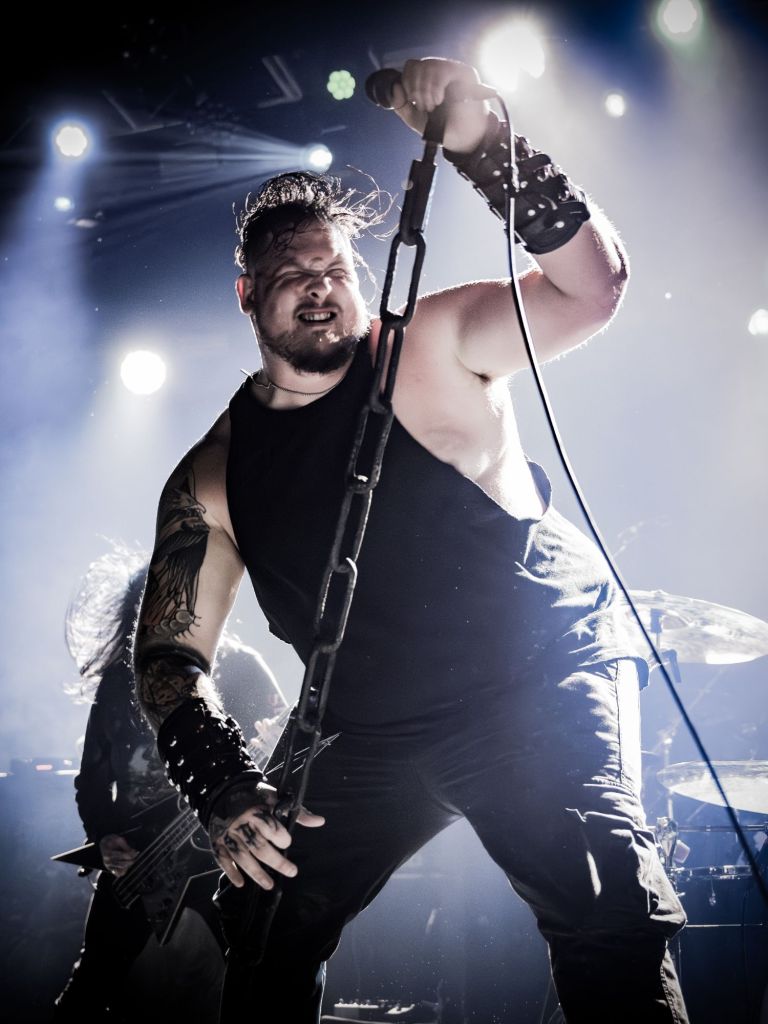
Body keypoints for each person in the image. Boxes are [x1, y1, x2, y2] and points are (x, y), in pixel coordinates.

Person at [133, 57, 689, 1023]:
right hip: (368, 726)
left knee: (602, 908)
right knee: (260, 920)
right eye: (293, 278)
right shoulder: (212, 476)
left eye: (335, 272)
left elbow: (592, 289)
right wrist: (222, 786)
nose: (321, 291)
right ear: (247, 295)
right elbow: (169, 657)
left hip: (532, 680)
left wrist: (486, 147)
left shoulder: (432, 344)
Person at [54, 548, 286, 1022]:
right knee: (89, 992)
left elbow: (285, 748)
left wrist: (270, 756)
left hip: (216, 861)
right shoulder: (117, 686)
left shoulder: (241, 667)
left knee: (233, 991)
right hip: (133, 871)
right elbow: (90, 783)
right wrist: (104, 836)